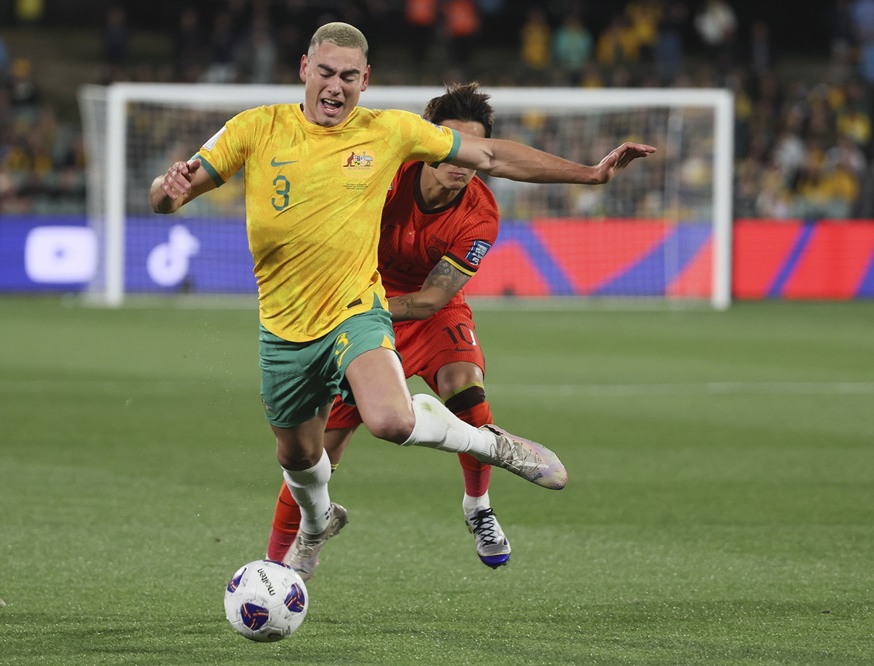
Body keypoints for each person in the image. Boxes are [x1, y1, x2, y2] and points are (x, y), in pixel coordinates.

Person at [149, 22, 655, 582]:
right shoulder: (256, 128)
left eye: (348, 76)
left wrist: (590, 174)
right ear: (304, 69)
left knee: (393, 418)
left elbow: (491, 155)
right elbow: (172, 191)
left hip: (364, 310)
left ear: (365, 80)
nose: (335, 86)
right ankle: (317, 524)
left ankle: (489, 451)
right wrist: (166, 193)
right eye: (325, 72)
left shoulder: (390, 134)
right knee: (300, 458)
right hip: (286, 327)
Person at [266, 82, 520, 572]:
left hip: (423, 312)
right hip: (356, 313)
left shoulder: (481, 214)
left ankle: (478, 507)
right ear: (429, 142)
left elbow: (430, 301)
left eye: (472, 152)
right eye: (452, 148)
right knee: (313, 454)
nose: (460, 162)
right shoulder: (382, 174)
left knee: (466, 391)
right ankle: (276, 563)